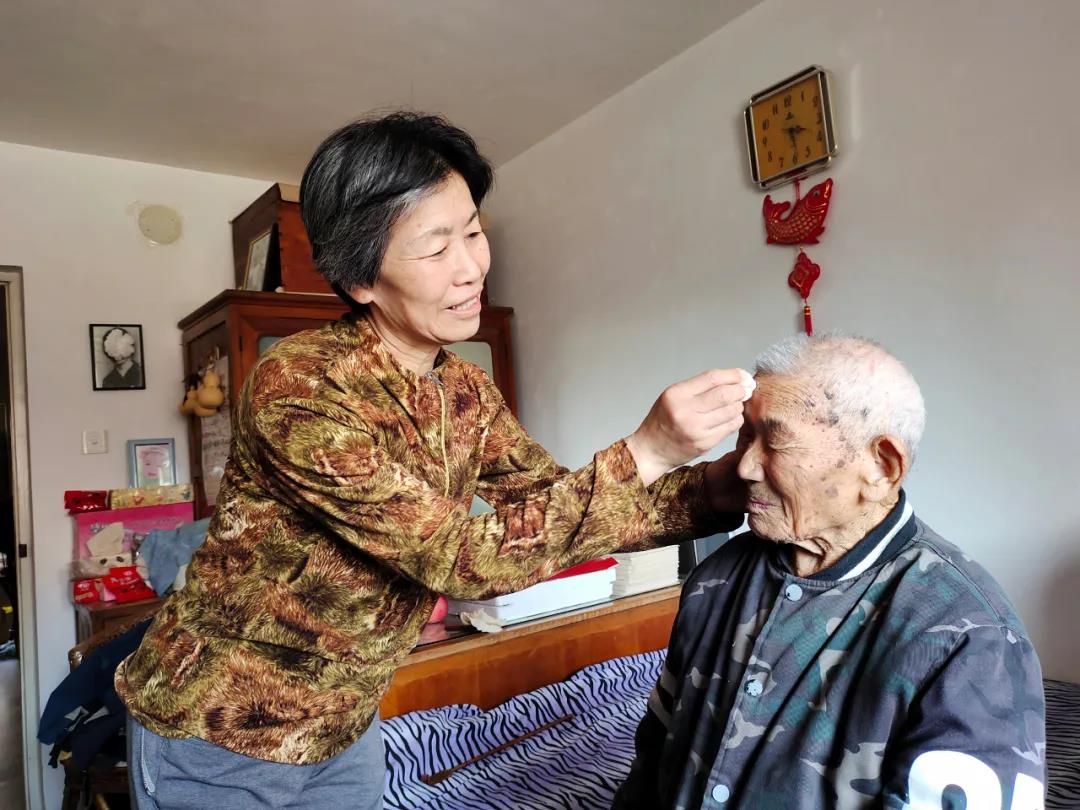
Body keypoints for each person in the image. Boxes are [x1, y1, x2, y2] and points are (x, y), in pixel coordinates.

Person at [115, 112, 752, 808]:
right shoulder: (299, 387)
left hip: (343, 723)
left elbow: (559, 507)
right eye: (436, 246)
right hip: (217, 733)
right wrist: (647, 449)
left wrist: (723, 490)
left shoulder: (464, 389)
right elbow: (457, 558)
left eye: (473, 233)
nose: (472, 268)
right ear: (360, 278)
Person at [613, 335, 1046, 810]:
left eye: (776, 441)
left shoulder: (969, 637)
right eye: (745, 437)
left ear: (882, 467)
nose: (746, 467)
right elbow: (655, 759)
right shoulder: (717, 578)